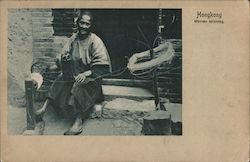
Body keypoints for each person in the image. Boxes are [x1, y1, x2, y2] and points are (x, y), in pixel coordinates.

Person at [42, 11, 111, 135]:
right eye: (82, 23)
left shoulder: (95, 41)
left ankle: (78, 122)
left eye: (87, 24)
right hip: (74, 74)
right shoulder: (73, 39)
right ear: (78, 23)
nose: (84, 26)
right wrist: (63, 59)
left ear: (91, 25)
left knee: (79, 87)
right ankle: (43, 110)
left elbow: (102, 66)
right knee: (60, 80)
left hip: (91, 78)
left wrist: (86, 74)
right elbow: (63, 54)